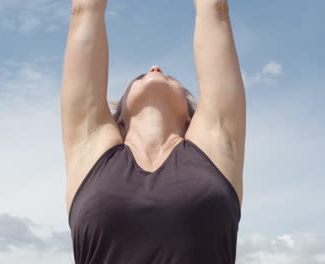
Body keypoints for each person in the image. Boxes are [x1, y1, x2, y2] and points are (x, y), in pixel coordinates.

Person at [60, 0, 246, 263]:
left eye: (172, 78)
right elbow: (84, 10)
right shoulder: (92, 150)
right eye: (139, 77)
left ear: (190, 117)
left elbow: (214, 9)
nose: (155, 68)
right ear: (119, 119)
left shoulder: (213, 146)